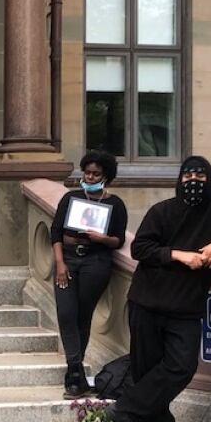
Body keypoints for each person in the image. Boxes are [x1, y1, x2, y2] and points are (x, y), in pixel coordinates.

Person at [107, 156, 211, 422]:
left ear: (210, 179)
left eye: (199, 175)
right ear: (179, 179)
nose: (193, 180)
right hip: (146, 301)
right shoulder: (162, 210)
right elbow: (140, 248)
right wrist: (179, 256)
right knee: (147, 371)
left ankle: (126, 407)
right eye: (187, 175)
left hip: (186, 307)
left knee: (181, 367)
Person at [50, 151, 127, 399]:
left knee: (83, 317)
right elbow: (55, 233)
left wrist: (102, 238)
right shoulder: (70, 198)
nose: (90, 176)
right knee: (66, 313)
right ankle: (75, 369)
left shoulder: (115, 204)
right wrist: (60, 263)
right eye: (87, 172)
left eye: (96, 173)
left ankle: (75, 378)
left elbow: (119, 240)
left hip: (96, 261)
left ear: (106, 177)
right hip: (68, 260)